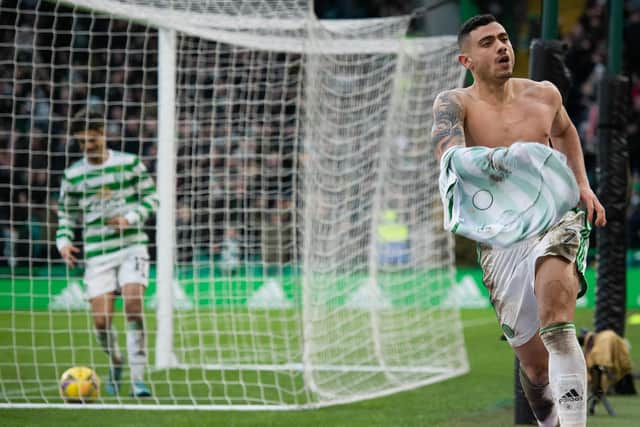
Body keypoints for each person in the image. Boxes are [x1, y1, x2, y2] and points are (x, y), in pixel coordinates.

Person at [432, 14, 606, 427]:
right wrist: (505, 159)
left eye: (505, 38)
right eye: (488, 42)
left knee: (558, 320)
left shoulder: (544, 94)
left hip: (555, 215)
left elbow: (565, 132)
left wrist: (581, 184)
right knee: (535, 369)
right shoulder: (453, 104)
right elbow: (449, 156)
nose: (502, 47)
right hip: (500, 233)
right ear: (467, 60)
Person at [56, 109, 159, 398]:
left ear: (103, 134)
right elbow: (66, 216)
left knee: (133, 306)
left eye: (92, 141)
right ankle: (116, 362)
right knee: (101, 321)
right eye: (81, 143)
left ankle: (139, 379)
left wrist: (131, 217)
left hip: (131, 246)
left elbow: (153, 198)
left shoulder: (130, 164)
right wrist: (62, 242)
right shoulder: (73, 176)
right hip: (98, 253)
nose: (88, 148)